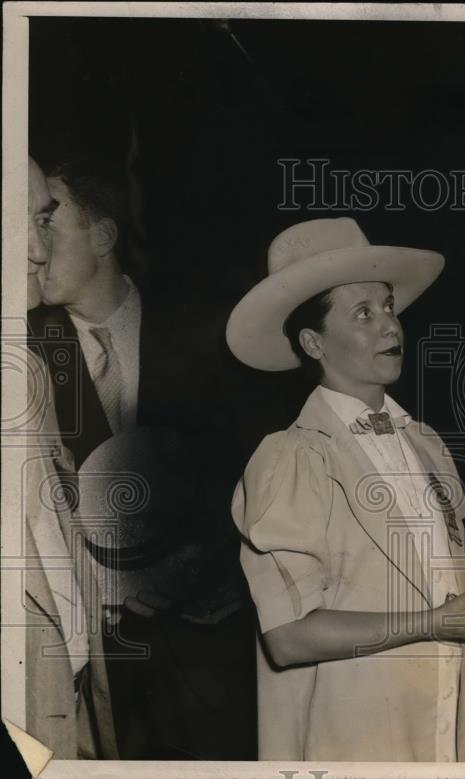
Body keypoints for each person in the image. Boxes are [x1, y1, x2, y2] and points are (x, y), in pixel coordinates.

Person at [226, 217, 465, 762]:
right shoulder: (291, 458)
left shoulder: (426, 445)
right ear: (313, 342)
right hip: (351, 745)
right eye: (362, 313)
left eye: (390, 306)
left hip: (451, 737)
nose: (390, 326)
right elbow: (288, 637)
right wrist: (434, 623)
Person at [27, 156, 256, 759]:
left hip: (209, 651)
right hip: (106, 673)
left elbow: (256, 471)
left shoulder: (207, 332)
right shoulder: (25, 354)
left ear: (103, 235)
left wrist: (218, 570)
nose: (35, 243)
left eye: (51, 221)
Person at [18, 156, 117, 758]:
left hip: (70, 695)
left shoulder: (26, 369)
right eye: (19, 222)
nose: (37, 249)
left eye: (43, 220)